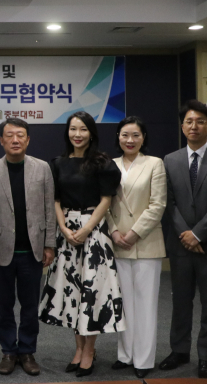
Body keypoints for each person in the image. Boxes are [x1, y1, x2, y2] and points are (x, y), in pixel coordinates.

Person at [38, 111, 124, 378]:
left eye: (83, 129)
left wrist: (86, 229)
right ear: (67, 132)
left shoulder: (103, 163)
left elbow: (106, 200)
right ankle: (78, 350)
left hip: (94, 232)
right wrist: (63, 229)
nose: (77, 134)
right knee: (72, 294)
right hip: (66, 234)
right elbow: (55, 200)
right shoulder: (58, 163)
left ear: (91, 134)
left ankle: (89, 352)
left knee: (92, 294)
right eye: (73, 129)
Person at [159, 100, 207, 380]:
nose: (194, 126)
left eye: (201, 121)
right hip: (181, 245)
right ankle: (179, 351)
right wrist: (186, 235)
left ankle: (206, 357)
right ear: (182, 126)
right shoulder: (170, 160)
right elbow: (169, 202)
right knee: (180, 301)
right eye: (189, 121)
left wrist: (198, 234)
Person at [0, 118, 56, 377]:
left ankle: (27, 350)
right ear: (1, 140)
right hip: (0, 249)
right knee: (4, 305)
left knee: (30, 305)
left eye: (20, 135)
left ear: (28, 139)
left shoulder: (42, 168)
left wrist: (49, 244)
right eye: (9, 135)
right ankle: (8, 352)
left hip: (33, 250)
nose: (15, 140)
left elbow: (49, 210)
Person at [106, 116, 167, 378]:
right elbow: (104, 203)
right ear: (118, 137)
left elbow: (158, 205)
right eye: (124, 135)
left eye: (135, 135)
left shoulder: (155, 164)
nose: (130, 140)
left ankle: (143, 358)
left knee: (145, 304)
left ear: (143, 138)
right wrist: (113, 230)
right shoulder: (110, 165)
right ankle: (125, 353)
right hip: (117, 241)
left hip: (145, 242)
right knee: (123, 303)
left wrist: (133, 233)